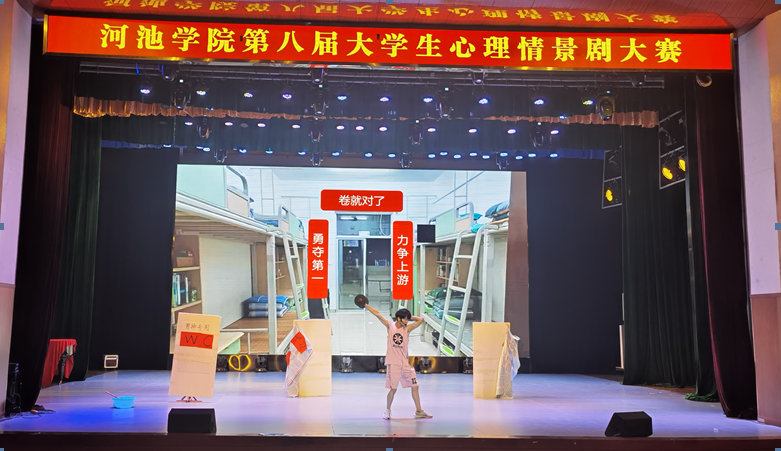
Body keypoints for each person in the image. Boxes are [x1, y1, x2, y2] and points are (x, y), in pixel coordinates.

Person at [364, 304, 432, 420]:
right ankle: (387, 411)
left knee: (415, 386)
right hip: (393, 364)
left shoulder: (407, 329)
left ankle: (419, 411)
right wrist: (366, 305)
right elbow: (377, 314)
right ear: (398, 318)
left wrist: (409, 316)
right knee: (393, 389)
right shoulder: (390, 326)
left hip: (405, 364)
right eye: (404, 319)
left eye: (407, 319)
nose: (406, 321)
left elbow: (421, 319)